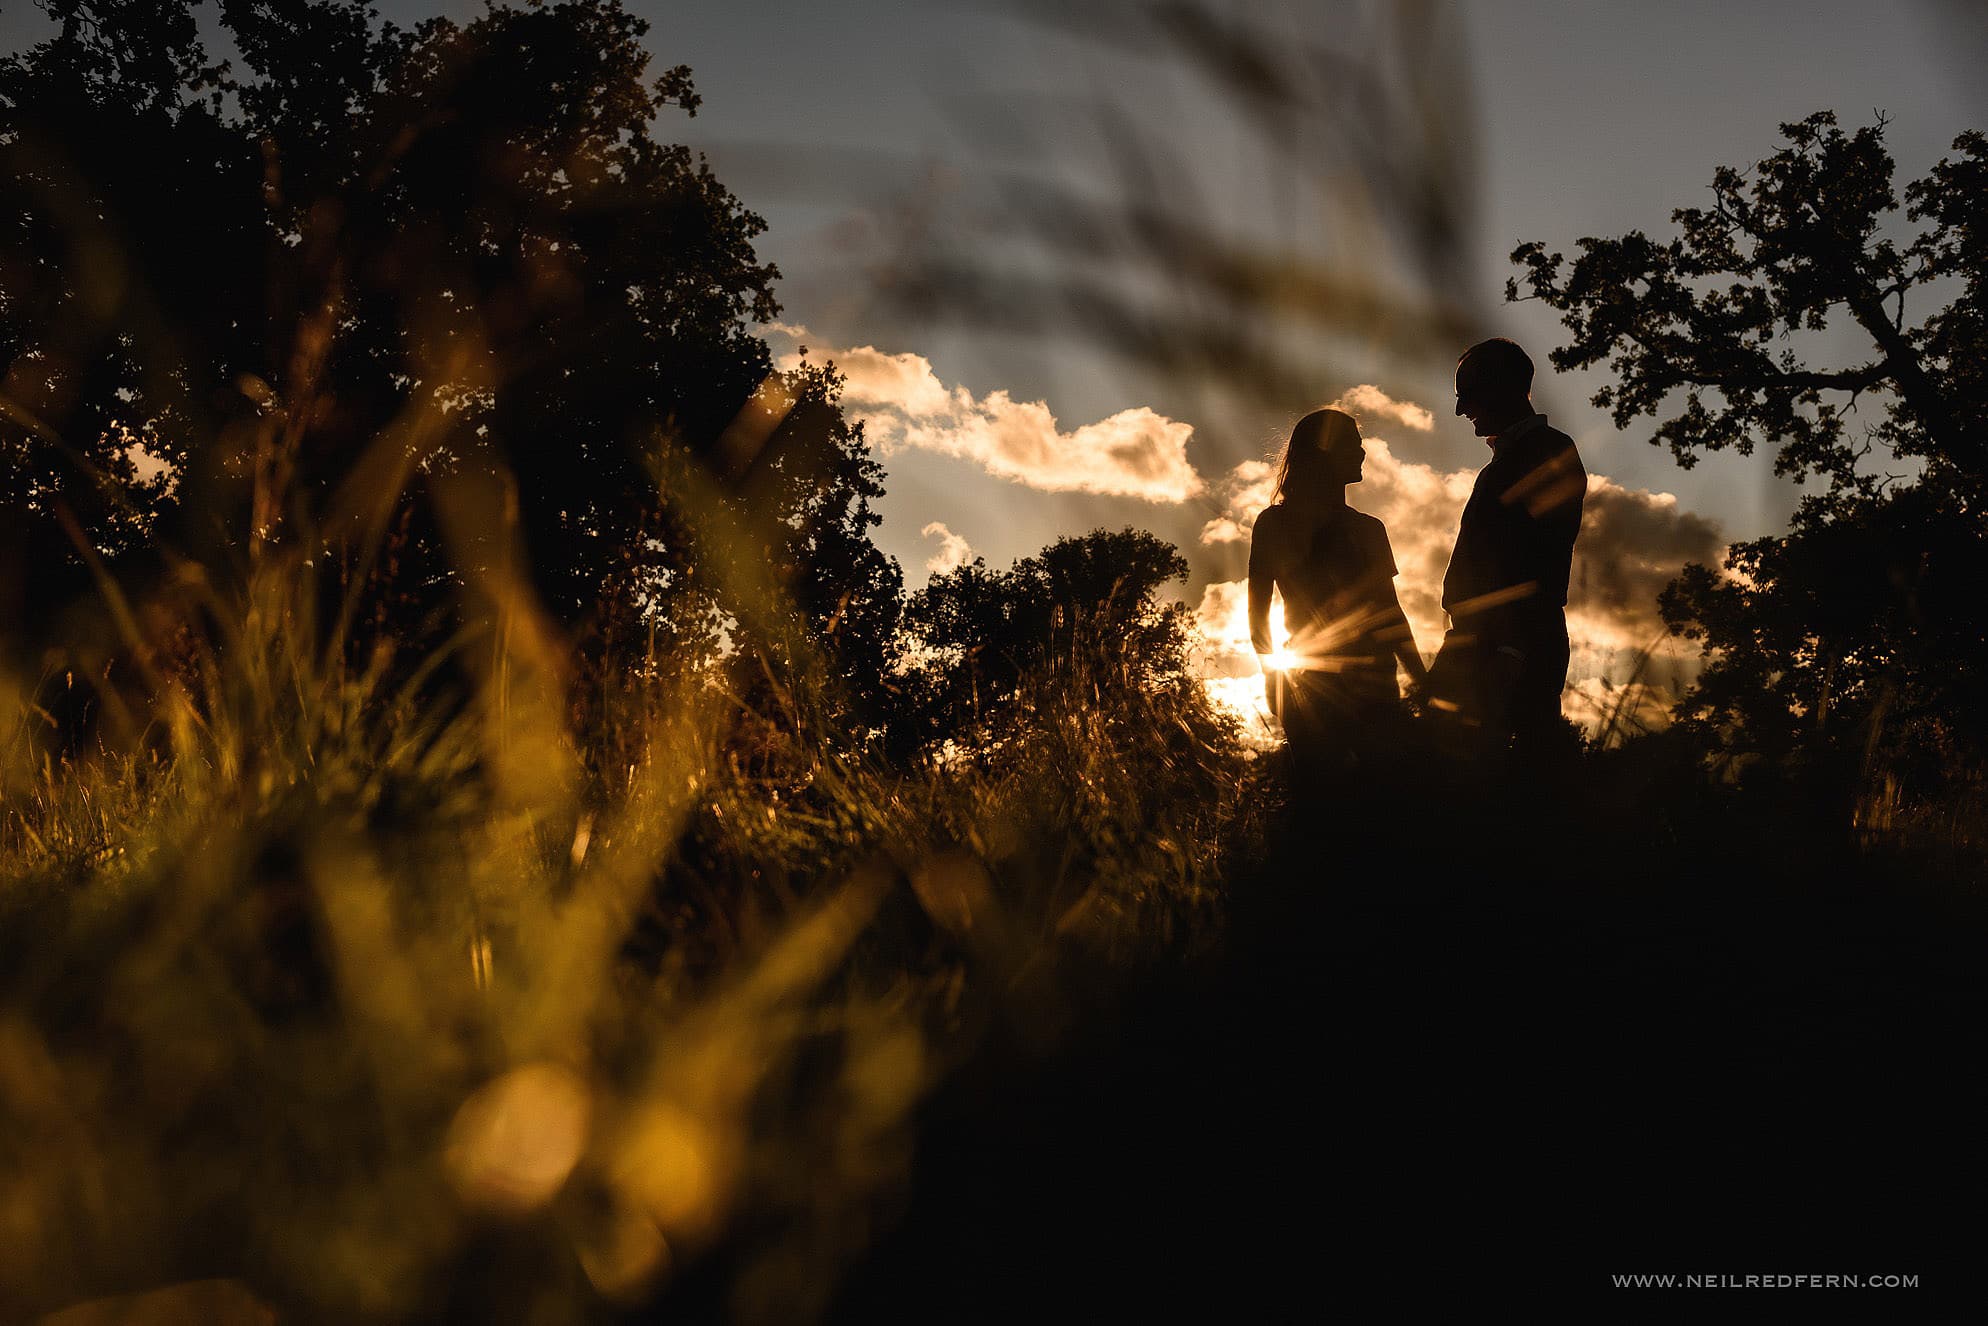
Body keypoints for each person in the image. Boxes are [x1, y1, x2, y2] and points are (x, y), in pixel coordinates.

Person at [1429, 338, 1586, 757]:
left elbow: (1546, 555)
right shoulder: (1505, 462)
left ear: (1501, 388)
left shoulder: (1548, 452)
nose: (1461, 410)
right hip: (1478, 644)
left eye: (1468, 395)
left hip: (1509, 648)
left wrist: (1512, 650)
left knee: (1502, 786)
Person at [1249, 408, 1427, 777]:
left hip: (1374, 690)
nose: (1363, 453)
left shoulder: (1370, 529)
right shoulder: (1274, 524)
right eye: (1354, 444)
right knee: (1326, 808)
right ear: (1324, 451)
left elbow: (1390, 613)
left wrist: (1422, 682)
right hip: (1313, 691)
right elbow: (1257, 614)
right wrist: (1272, 678)